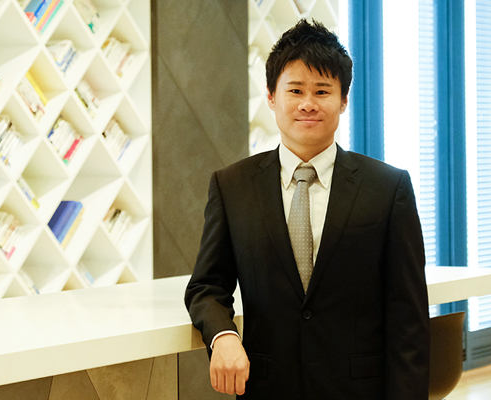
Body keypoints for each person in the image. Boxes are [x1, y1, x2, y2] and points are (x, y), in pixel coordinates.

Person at [183, 19, 429, 399]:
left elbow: (408, 318)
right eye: (295, 90)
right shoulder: (232, 186)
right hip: (268, 389)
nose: (308, 104)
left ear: (343, 100)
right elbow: (207, 286)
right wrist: (224, 335)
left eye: (322, 91)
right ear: (271, 96)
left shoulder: (387, 188)